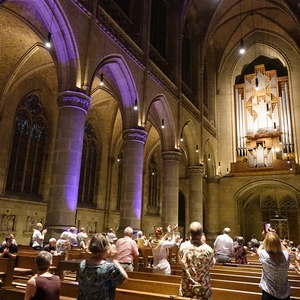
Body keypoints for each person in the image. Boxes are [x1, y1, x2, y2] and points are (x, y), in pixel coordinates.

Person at [77, 233, 128, 300]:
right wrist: (115, 260)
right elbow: (124, 279)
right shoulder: (109, 267)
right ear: (105, 249)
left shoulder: (82, 264)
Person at [179, 222, 215, 300]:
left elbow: (180, 261)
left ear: (190, 233)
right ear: (201, 233)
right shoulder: (208, 249)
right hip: (203, 288)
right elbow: (211, 265)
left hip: (187, 288)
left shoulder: (183, 247)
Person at [257, 231, 290, 300]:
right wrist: (275, 238)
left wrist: (265, 239)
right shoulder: (286, 256)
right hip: (284, 293)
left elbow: (258, 250)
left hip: (269, 292)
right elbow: (287, 251)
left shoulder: (264, 255)